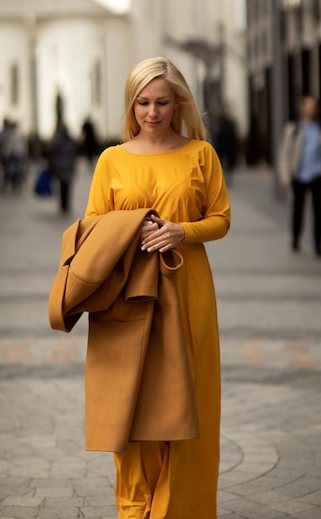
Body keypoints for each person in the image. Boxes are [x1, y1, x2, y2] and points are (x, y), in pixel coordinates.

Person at [84, 57, 231, 518]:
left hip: (189, 293)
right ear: (131, 104)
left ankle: (181, 509)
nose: (152, 112)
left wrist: (180, 231)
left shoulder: (200, 155)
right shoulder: (111, 159)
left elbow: (221, 219)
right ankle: (136, 510)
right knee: (133, 404)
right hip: (128, 297)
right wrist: (129, 229)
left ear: (178, 102)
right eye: (143, 102)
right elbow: (91, 226)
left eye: (162, 102)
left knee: (188, 404)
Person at [279, 95, 321, 257]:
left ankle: (319, 244)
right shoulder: (294, 128)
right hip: (299, 174)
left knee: (319, 210)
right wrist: (286, 175)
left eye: (313, 106)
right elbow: (285, 153)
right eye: (307, 106)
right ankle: (296, 238)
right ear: (302, 108)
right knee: (298, 208)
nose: (310, 109)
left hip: (317, 173)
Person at [48, 120, 78, 213]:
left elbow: (53, 153)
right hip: (67, 165)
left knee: (62, 186)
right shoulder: (70, 139)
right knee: (67, 186)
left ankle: (63, 204)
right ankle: (66, 204)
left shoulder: (57, 139)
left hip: (61, 165)